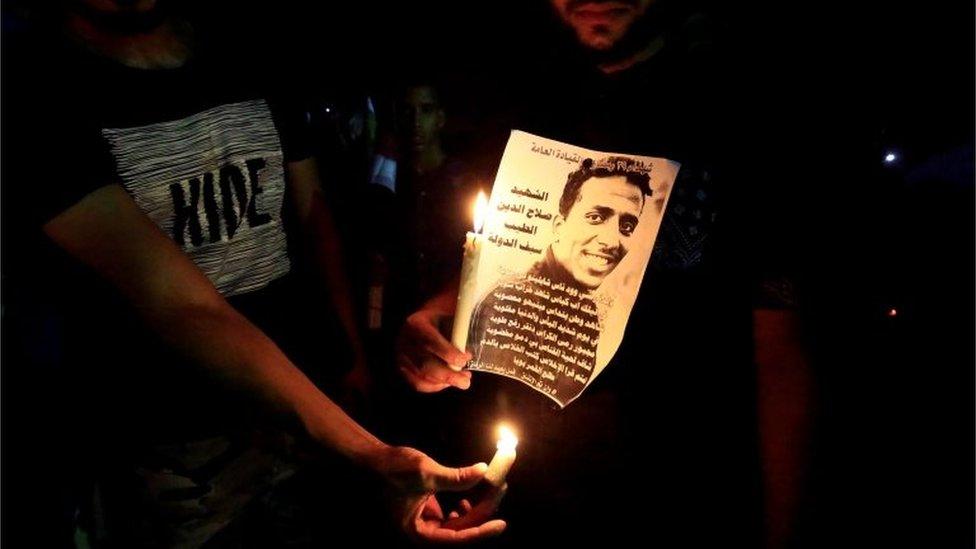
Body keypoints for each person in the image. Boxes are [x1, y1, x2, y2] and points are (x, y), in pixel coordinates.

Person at [2, 1, 504, 546]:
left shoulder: (243, 49)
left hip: (307, 410)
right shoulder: (31, 90)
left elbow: (313, 214)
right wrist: (370, 452)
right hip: (173, 447)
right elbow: (182, 304)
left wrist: (349, 352)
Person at [394, 1, 812, 546]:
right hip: (542, 500)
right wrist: (439, 315)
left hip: (688, 504)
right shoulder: (530, 98)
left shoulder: (745, 112)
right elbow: (507, 259)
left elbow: (783, 353)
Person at [467, 156, 651, 405]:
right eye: (596, 217)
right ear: (558, 226)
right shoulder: (508, 300)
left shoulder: (586, 314)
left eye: (627, 226)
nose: (611, 241)